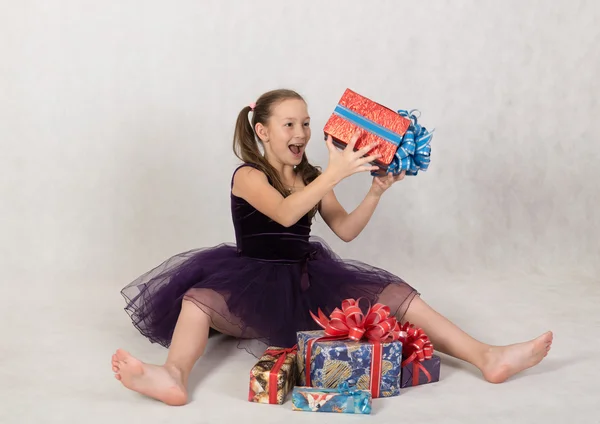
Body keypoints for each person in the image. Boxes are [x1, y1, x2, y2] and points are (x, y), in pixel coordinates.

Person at [112, 89, 553, 406]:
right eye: (290, 124)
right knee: (198, 300)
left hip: (307, 279)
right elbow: (286, 214)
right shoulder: (248, 176)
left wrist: (376, 191)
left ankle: (487, 356)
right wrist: (337, 172)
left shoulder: (312, 176)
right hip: (249, 283)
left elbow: (344, 230)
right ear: (263, 132)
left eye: (306, 122)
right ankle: (173, 375)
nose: (301, 132)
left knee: (397, 295)